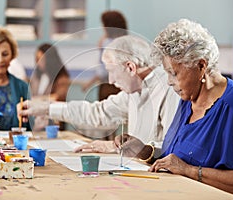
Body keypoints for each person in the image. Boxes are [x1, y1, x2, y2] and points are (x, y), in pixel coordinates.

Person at [114, 19, 233, 199]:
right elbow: (179, 157)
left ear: (201, 66)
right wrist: (143, 151)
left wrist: (190, 171)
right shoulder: (188, 100)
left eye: (174, 73)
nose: (169, 82)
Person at [17, 35, 180, 153]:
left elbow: (172, 147)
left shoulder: (169, 89)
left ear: (130, 68)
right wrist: (45, 108)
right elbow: (97, 113)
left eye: (111, 71)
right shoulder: (134, 91)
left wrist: (115, 147)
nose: (110, 80)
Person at [82, 10, 128, 101]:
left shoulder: (107, 43)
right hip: (123, 88)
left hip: (108, 87)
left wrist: (89, 83)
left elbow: (103, 70)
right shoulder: (126, 42)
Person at [29, 43, 70, 131]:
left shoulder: (62, 77)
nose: (38, 63)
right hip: (37, 120)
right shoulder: (36, 76)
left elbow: (56, 97)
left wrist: (34, 100)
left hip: (54, 121)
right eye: (37, 59)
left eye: (41, 59)